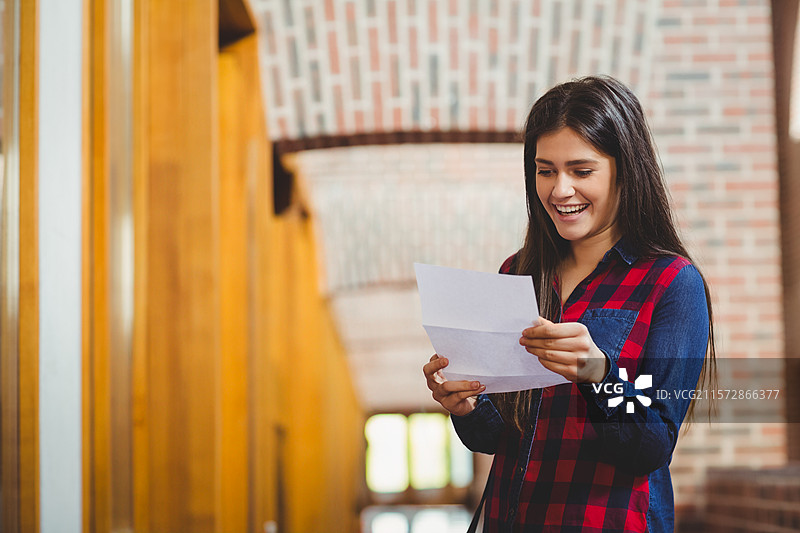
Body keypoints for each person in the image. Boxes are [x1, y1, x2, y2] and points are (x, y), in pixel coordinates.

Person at [422, 76, 715, 533]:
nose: (560, 191)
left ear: (624, 170)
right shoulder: (519, 272)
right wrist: (467, 405)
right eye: (545, 170)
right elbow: (499, 436)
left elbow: (651, 445)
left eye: (581, 171)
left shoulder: (671, 283)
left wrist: (598, 373)